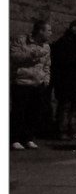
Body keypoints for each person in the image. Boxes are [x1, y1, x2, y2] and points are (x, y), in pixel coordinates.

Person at [10, 20, 52, 150]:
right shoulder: (21, 41)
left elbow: (47, 65)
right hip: (22, 81)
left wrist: (46, 78)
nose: (51, 33)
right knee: (19, 111)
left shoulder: (46, 47)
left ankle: (27, 137)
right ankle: (14, 138)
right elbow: (14, 57)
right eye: (48, 30)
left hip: (37, 83)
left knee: (33, 112)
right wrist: (32, 55)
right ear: (40, 31)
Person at [50, 19, 76, 140]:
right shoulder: (65, 41)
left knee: (73, 106)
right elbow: (63, 60)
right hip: (66, 80)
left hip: (74, 80)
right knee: (65, 105)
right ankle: (62, 130)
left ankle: (71, 130)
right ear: (73, 28)